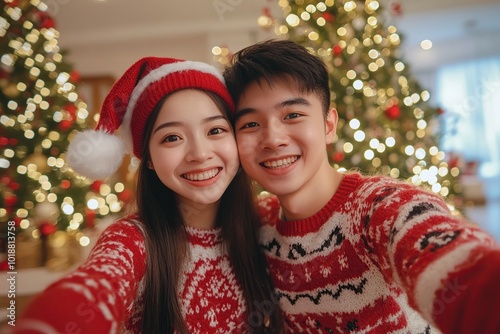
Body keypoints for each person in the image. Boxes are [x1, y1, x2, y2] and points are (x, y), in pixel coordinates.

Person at [223, 39, 500, 334]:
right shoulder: (256, 222)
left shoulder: (380, 207)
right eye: (250, 124)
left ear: (329, 126)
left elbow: (459, 269)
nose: (272, 139)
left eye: (292, 115)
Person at [13, 57, 284, 333]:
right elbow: (96, 286)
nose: (200, 154)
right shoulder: (133, 240)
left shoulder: (268, 218)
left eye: (215, 130)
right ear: (150, 159)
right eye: (171, 138)